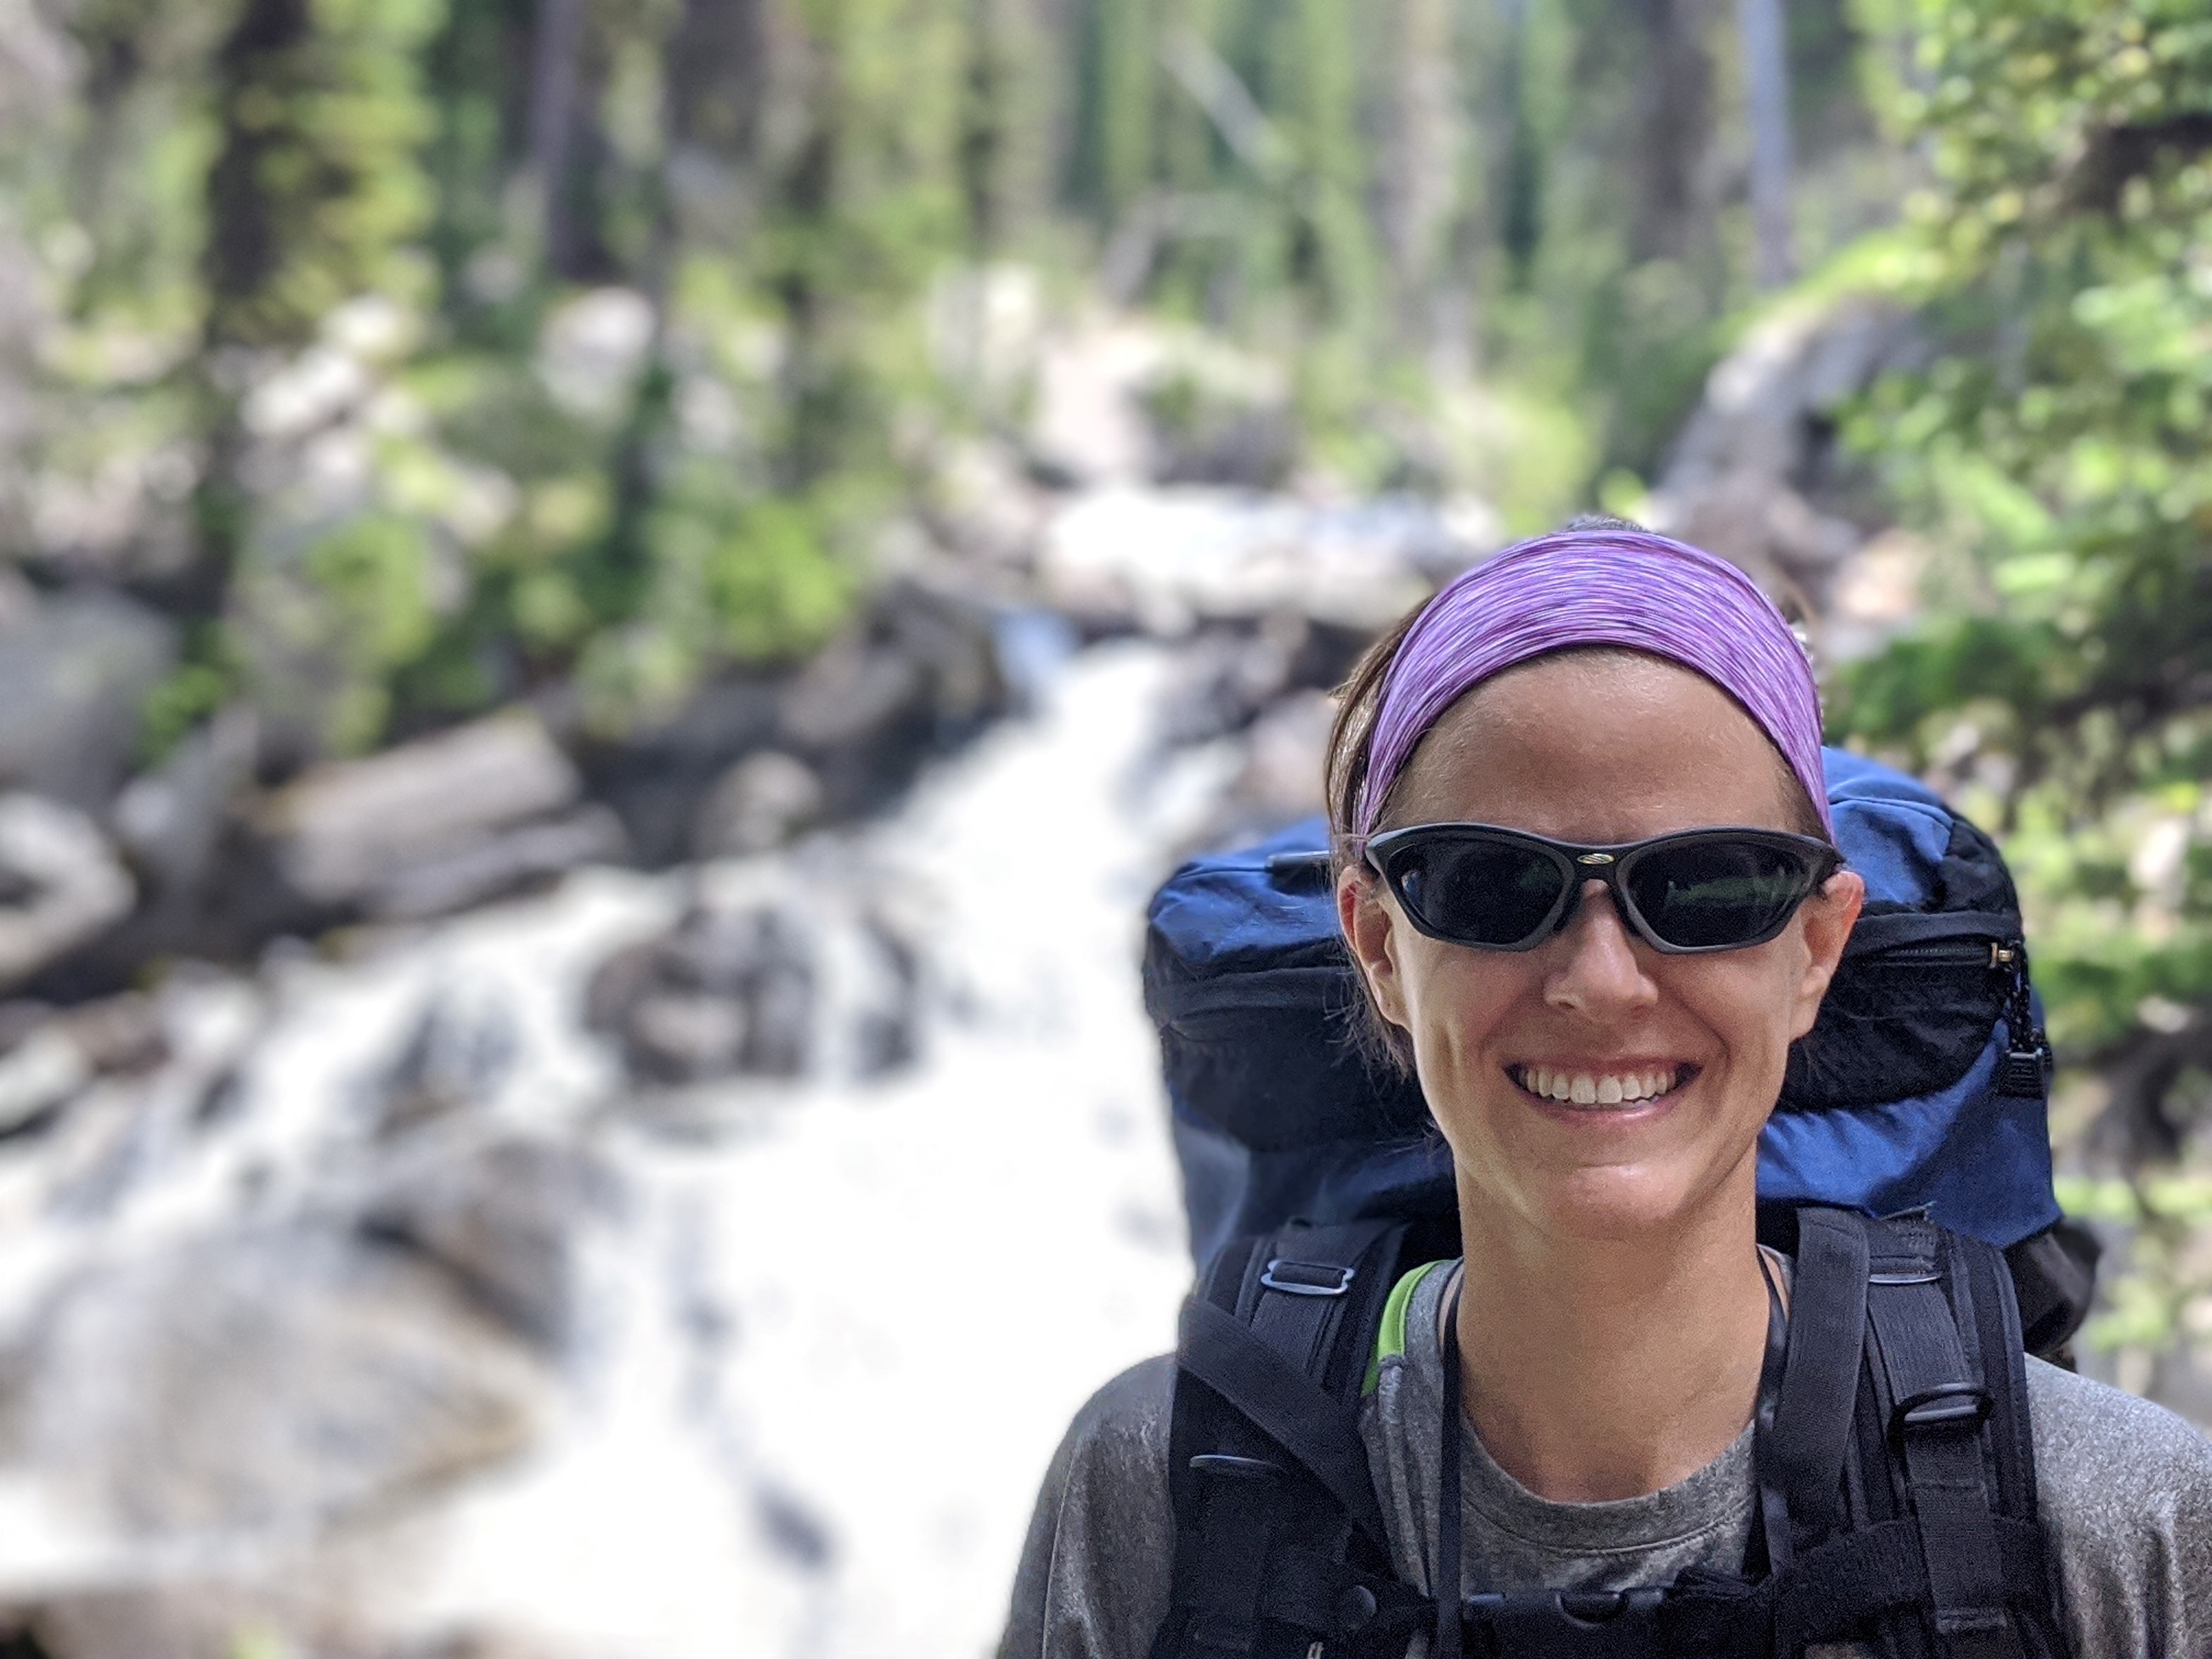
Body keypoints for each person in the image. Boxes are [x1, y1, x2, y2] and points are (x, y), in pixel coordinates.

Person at [999, 526, 2212, 1659]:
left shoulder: (2122, 1529)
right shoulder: (1154, 1492)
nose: (1600, 981)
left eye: (1710, 886)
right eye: (1488, 884)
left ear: (1816, 951)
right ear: (1375, 943)